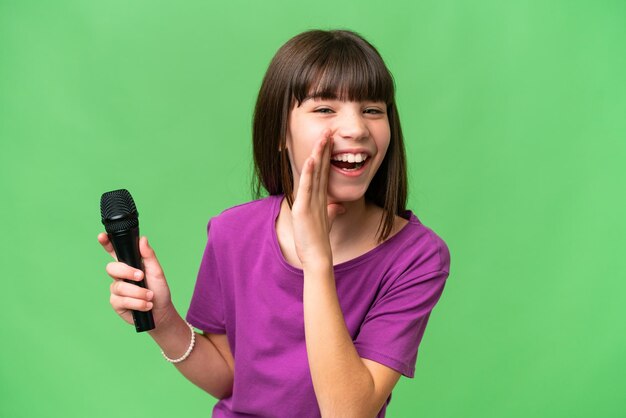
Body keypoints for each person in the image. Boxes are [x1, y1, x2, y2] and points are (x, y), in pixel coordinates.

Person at [98, 29, 451, 418]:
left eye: (373, 109)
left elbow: (348, 412)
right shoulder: (232, 232)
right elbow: (231, 379)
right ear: (281, 131)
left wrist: (316, 261)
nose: (356, 129)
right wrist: (164, 322)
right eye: (325, 109)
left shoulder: (417, 256)